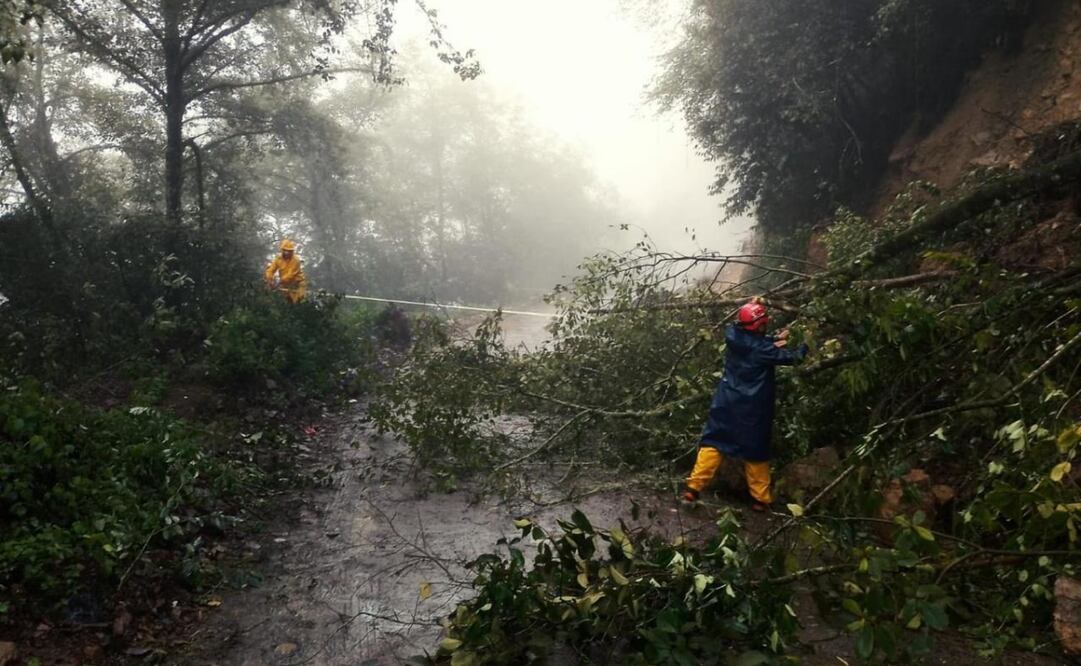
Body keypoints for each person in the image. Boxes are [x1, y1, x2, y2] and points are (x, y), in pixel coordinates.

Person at [681, 299, 809, 511]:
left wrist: (776, 338)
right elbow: (794, 357)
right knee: (756, 451)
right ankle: (760, 500)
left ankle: (693, 488)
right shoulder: (762, 350)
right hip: (752, 408)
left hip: (726, 402)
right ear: (758, 326)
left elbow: (753, 339)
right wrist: (806, 343)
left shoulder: (732, 335)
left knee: (714, 442)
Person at [264, 239, 307, 303]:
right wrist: (270, 280)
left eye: (289, 251)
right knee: (285, 302)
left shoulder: (296, 260)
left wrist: (278, 282)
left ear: (292, 251)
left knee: (299, 301)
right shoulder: (278, 259)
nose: (287, 252)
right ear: (282, 250)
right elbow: (270, 270)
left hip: (297, 283)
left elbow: (290, 275)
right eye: (285, 250)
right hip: (285, 284)